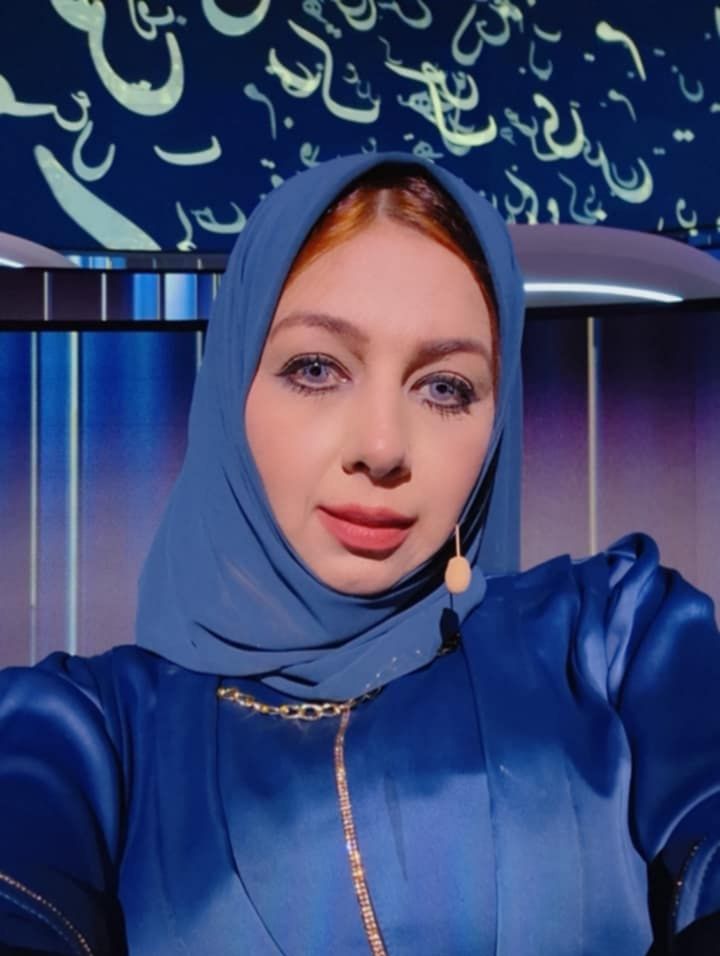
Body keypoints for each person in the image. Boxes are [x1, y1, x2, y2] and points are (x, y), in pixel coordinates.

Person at [0, 152, 718, 956]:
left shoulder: (617, 638)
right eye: (316, 369)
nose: (381, 448)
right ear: (232, 384)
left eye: (445, 387)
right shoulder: (84, 732)